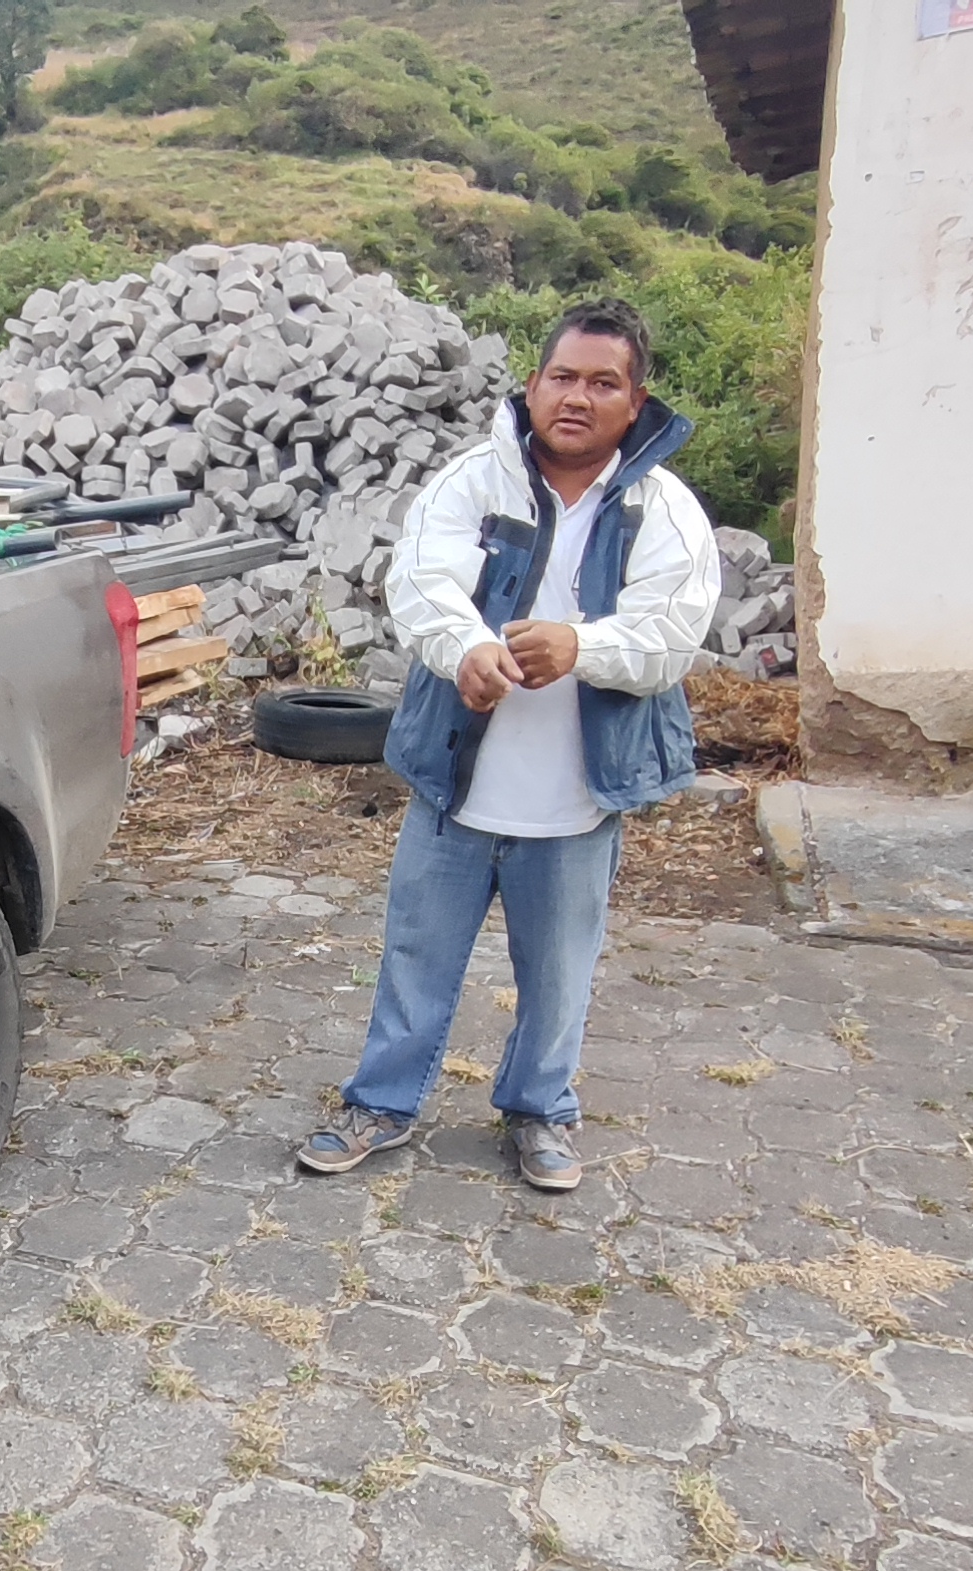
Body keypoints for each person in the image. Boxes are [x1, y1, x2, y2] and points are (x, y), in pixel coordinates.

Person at [297, 298, 722, 1192]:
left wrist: (582, 647)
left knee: (559, 972)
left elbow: (672, 636)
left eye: (603, 383)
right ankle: (382, 1103)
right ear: (532, 386)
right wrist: (466, 649)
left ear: (635, 404)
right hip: (456, 781)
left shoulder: (663, 511)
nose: (578, 397)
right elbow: (419, 583)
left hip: (576, 795)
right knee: (416, 954)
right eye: (562, 377)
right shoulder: (473, 483)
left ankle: (540, 1111)